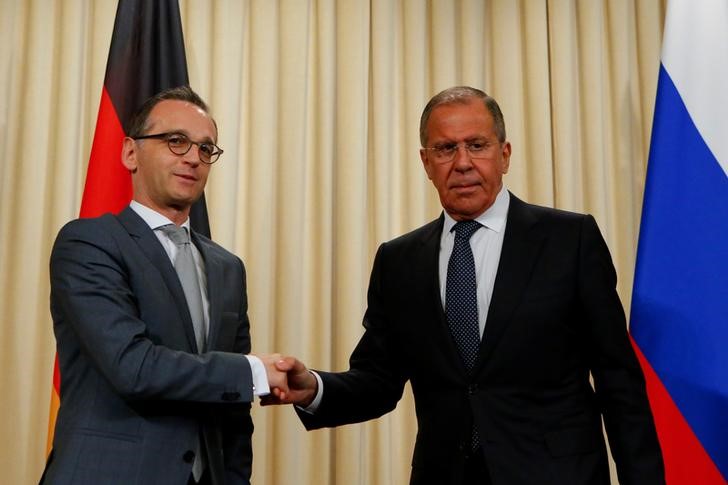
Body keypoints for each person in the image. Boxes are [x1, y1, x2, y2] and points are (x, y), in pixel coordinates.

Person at [267, 86, 665, 484]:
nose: (462, 163)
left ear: (504, 154)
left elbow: (618, 382)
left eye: (477, 145)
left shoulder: (569, 240)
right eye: (445, 149)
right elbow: (377, 381)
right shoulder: (399, 260)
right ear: (426, 162)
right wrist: (313, 389)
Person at [41, 86, 285, 485]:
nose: (193, 157)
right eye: (176, 141)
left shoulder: (228, 268)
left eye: (206, 149)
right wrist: (253, 370)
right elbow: (132, 367)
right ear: (130, 153)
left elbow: (234, 413)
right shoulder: (88, 243)